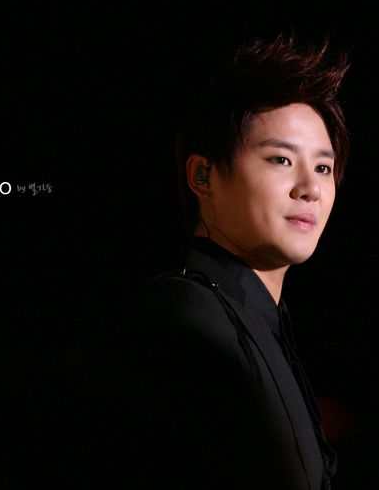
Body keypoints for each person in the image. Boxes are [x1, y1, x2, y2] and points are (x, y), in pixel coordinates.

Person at [116, 35, 349, 489]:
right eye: (281, 159)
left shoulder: (256, 319)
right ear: (203, 175)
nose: (311, 189)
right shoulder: (182, 316)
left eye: (323, 167)